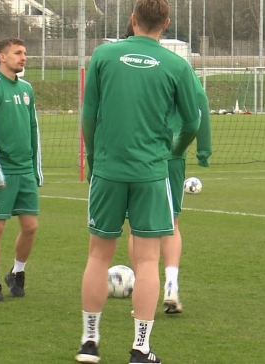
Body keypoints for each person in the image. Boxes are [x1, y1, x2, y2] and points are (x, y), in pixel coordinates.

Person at [75, 1, 200, 363]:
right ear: (166, 23)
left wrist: (97, 161)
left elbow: (89, 115)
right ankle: (140, 349)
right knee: (146, 262)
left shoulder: (103, 55)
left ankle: (89, 342)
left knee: (98, 256)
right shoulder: (177, 64)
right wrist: (173, 150)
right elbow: (191, 122)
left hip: (108, 171)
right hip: (151, 173)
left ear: (132, 20)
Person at [123, 16, 213, 316]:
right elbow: (200, 108)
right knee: (170, 223)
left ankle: (142, 284)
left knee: (137, 227)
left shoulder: (123, 65)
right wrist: (203, 150)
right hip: (171, 156)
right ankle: (171, 286)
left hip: (137, 155)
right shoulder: (176, 65)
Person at [0, 38, 43, 301]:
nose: (23, 57)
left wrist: (36, 168)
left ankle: (17, 272)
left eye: (25, 53)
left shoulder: (27, 89)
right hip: (0, 169)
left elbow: (33, 129)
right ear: (2, 57)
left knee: (30, 227)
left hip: (25, 170)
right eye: (18, 53)